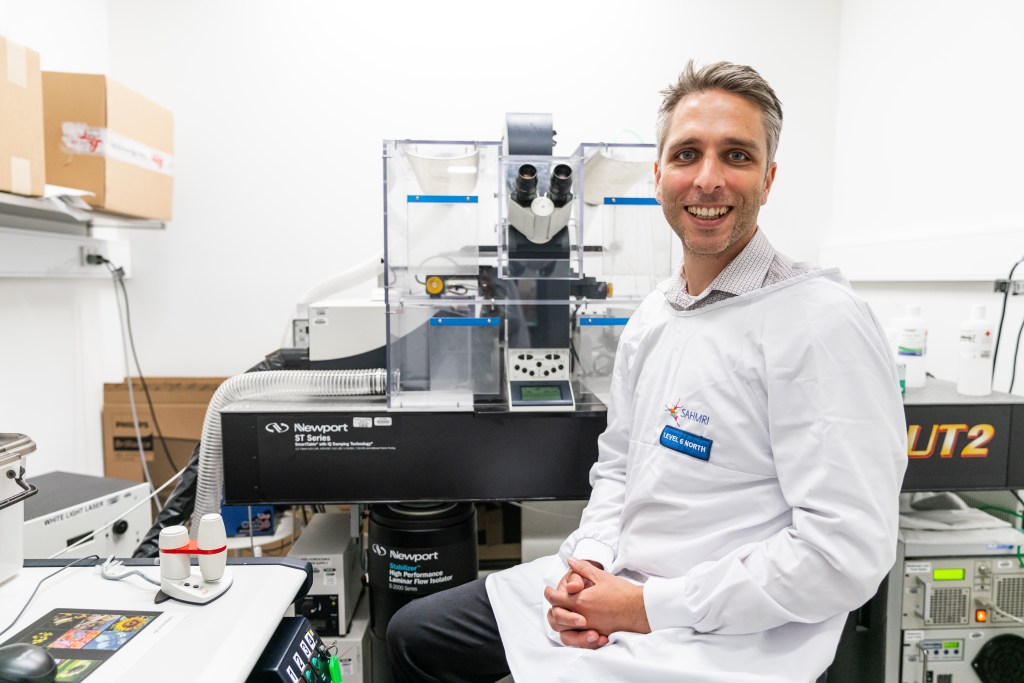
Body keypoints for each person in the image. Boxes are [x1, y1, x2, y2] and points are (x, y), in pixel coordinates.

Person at [387, 59, 908, 683]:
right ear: (658, 173)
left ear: (768, 180)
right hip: (621, 579)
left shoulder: (820, 322)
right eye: (687, 154)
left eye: (736, 156)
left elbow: (842, 554)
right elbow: (619, 468)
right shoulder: (656, 315)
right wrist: (587, 564)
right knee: (416, 636)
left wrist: (643, 608)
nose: (708, 179)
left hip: (730, 634)